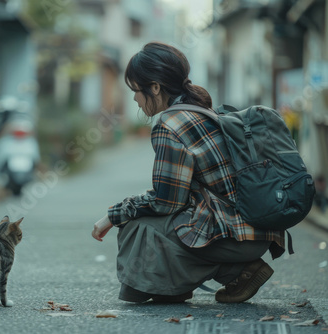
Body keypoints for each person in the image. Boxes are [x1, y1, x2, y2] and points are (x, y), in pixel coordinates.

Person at [91, 42, 285, 304]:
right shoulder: (201, 111)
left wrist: (113, 215)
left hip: (237, 238)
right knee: (150, 221)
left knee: (137, 226)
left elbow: (166, 201)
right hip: (258, 230)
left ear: (155, 88)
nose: (135, 99)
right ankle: (216, 275)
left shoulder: (170, 124)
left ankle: (235, 271)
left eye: (136, 90)